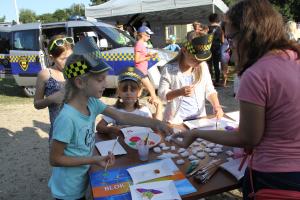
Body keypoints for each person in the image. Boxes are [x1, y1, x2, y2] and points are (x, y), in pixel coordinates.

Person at [172, 0, 300, 199]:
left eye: (230, 38)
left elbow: (248, 138)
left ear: (248, 35)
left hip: (274, 176)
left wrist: (197, 134)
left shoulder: (257, 73)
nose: (229, 48)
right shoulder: (295, 57)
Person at [49, 37, 172, 200]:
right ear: (80, 82)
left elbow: (121, 116)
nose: (105, 84)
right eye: (100, 80)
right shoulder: (67, 118)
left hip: (80, 180)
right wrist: (93, 159)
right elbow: (55, 159)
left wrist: (155, 122)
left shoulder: (92, 103)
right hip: (67, 190)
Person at [158, 33, 224, 124]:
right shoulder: (169, 69)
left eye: (201, 60)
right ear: (184, 51)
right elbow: (162, 95)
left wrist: (217, 106)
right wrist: (179, 92)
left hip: (199, 119)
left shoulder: (202, 66)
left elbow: (210, 89)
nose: (198, 63)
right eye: (194, 59)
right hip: (176, 121)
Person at [96, 67, 163, 134]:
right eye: (124, 90)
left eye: (133, 90)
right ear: (118, 92)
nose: (128, 93)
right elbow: (99, 127)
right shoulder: (114, 110)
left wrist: (159, 107)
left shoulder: (144, 111)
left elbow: (156, 127)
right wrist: (110, 129)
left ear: (139, 92)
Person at [34, 35, 74, 141]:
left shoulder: (76, 70)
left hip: (79, 129)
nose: (68, 61)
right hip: (59, 132)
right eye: (63, 59)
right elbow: (37, 104)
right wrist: (51, 99)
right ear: (51, 57)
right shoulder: (45, 74)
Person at [134, 25, 161, 105]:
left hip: (142, 70)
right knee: (151, 89)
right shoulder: (139, 44)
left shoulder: (142, 44)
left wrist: (150, 55)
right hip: (140, 70)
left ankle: (134, 103)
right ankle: (156, 103)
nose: (149, 37)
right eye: (148, 35)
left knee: (140, 88)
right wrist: (147, 58)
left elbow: (142, 55)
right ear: (142, 35)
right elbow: (137, 60)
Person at [208, 13, 222, 85]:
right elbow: (222, 40)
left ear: (210, 19)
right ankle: (217, 81)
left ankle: (209, 80)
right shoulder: (220, 28)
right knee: (216, 65)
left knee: (209, 65)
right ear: (218, 19)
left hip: (208, 48)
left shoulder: (207, 28)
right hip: (217, 48)